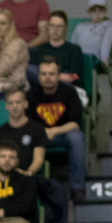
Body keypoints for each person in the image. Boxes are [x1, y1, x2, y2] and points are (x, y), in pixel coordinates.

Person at [27, 57, 86, 194]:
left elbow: (75, 124)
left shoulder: (70, 92)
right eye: (44, 74)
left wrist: (54, 130)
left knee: (76, 138)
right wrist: (43, 131)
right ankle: (31, 187)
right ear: (39, 76)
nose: (47, 77)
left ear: (59, 76)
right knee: (24, 138)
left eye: (51, 74)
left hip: (63, 134)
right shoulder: (31, 94)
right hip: (39, 136)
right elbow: (26, 123)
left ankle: (77, 188)